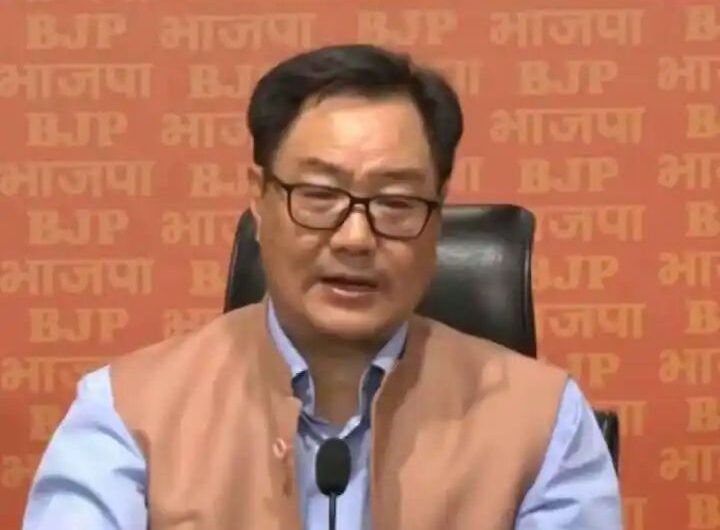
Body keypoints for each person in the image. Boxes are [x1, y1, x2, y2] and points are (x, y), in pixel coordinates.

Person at [23, 44, 622, 530]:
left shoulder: (543, 422)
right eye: (319, 196)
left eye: (396, 202)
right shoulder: (127, 414)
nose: (356, 238)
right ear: (259, 200)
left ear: (437, 216)